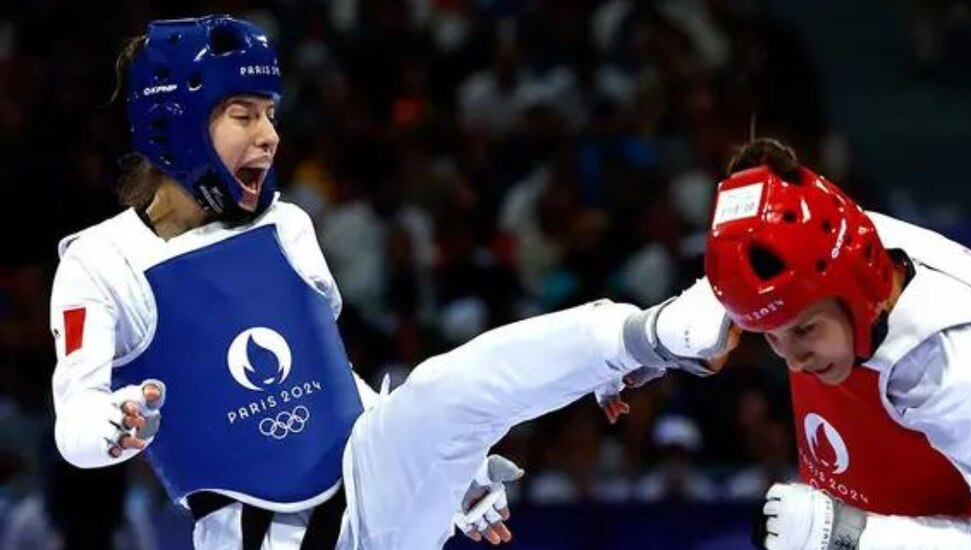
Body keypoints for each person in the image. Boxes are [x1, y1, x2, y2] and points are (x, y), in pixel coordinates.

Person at [47, 15, 736, 550]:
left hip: (367, 486)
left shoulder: (286, 227)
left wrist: (453, 474)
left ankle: (653, 331)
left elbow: (330, 379)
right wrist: (114, 425)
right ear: (176, 122)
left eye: (271, 114)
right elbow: (74, 426)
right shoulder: (100, 263)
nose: (270, 136)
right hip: (256, 537)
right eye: (244, 114)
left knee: (445, 388)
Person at [703, 138, 971, 549]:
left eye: (804, 330)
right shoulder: (824, 250)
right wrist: (633, 346)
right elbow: (742, 273)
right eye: (769, 334)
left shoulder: (957, 369)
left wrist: (848, 536)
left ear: (856, 292)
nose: (792, 359)